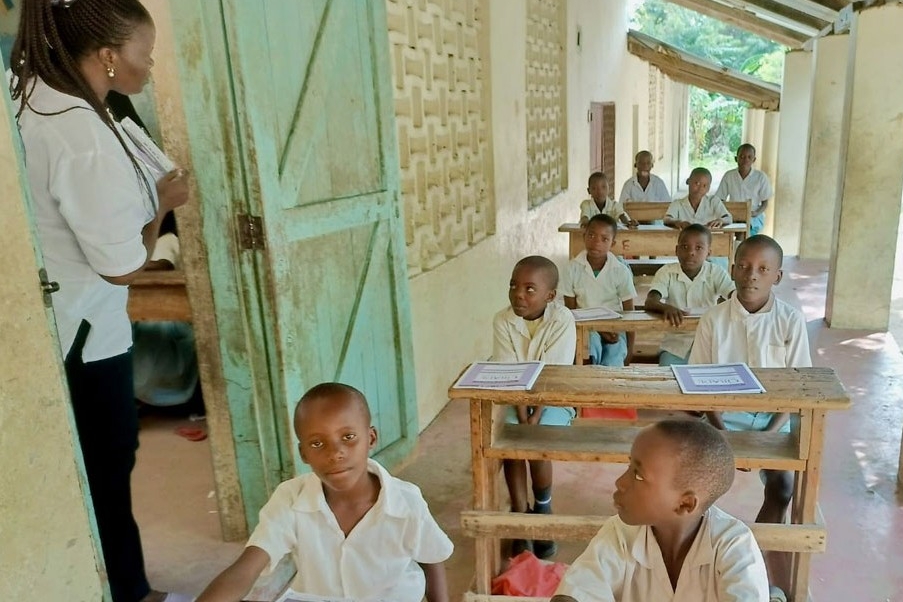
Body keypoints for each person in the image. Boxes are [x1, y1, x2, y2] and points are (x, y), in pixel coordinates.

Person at [10, 1, 189, 601]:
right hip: (86, 332)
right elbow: (120, 269)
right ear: (109, 56)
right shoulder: (81, 134)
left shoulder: (29, 90)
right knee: (109, 463)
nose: (150, 65)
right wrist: (163, 203)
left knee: (81, 461)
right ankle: (130, 591)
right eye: (146, 53)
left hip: (50, 321)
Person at [196, 383, 453, 602]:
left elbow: (432, 560)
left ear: (371, 439)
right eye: (317, 443)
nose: (335, 453)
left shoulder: (405, 502)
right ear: (303, 453)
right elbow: (246, 568)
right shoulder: (290, 499)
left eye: (349, 436)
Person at [689, 235, 811, 602]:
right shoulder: (714, 319)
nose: (751, 275)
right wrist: (723, 432)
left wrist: (769, 434)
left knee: (784, 486)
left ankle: (754, 555)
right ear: (732, 269)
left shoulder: (790, 320)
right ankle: (703, 556)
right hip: (723, 418)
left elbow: (798, 386)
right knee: (697, 482)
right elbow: (700, 383)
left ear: (778, 276)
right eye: (743, 266)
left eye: (762, 269)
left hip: (774, 419)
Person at [551, 420, 769, 602]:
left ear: (685, 504)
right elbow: (575, 592)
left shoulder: (734, 545)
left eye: (638, 475)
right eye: (629, 467)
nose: (619, 482)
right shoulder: (620, 534)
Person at [493, 255, 577, 559]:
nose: (518, 294)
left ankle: (542, 508)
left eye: (530, 289)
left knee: (537, 439)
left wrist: (534, 414)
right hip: (513, 396)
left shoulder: (563, 319)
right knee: (511, 440)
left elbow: (554, 373)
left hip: (553, 397)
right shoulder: (503, 320)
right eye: (514, 286)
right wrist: (521, 411)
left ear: (550, 296)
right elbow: (507, 371)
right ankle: (520, 515)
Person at [644, 224, 734, 366]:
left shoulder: (715, 272)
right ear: (676, 250)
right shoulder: (666, 272)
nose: (691, 252)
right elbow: (650, 301)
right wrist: (666, 308)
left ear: (708, 253)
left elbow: (734, 295)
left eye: (699, 248)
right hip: (676, 343)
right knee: (669, 377)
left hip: (711, 340)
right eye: (685, 247)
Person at [561, 214, 636, 366]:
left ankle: (610, 385)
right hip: (584, 327)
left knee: (614, 358)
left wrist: (630, 348)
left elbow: (630, 313)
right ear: (584, 236)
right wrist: (599, 329)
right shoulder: (571, 269)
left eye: (604, 239)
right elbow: (570, 312)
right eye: (592, 235)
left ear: (612, 243)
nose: (596, 242)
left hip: (615, 328)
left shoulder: (620, 271)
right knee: (589, 347)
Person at [713, 144, 773, 236]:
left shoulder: (760, 177)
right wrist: (726, 213)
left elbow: (765, 202)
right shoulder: (729, 176)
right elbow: (720, 199)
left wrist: (756, 212)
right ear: (736, 159)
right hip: (733, 214)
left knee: (743, 234)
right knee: (729, 235)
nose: (745, 160)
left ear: (754, 160)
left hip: (753, 216)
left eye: (749, 157)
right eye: (742, 156)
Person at [665, 167, 732, 230]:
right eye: (697, 183)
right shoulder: (678, 204)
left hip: (709, 240)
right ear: (688, 181)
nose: (700, 188)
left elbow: (728, 218)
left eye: (704, 185)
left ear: (709, 188)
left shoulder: (713, 201)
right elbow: (667, 219)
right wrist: (678, 222)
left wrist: (720, 220)